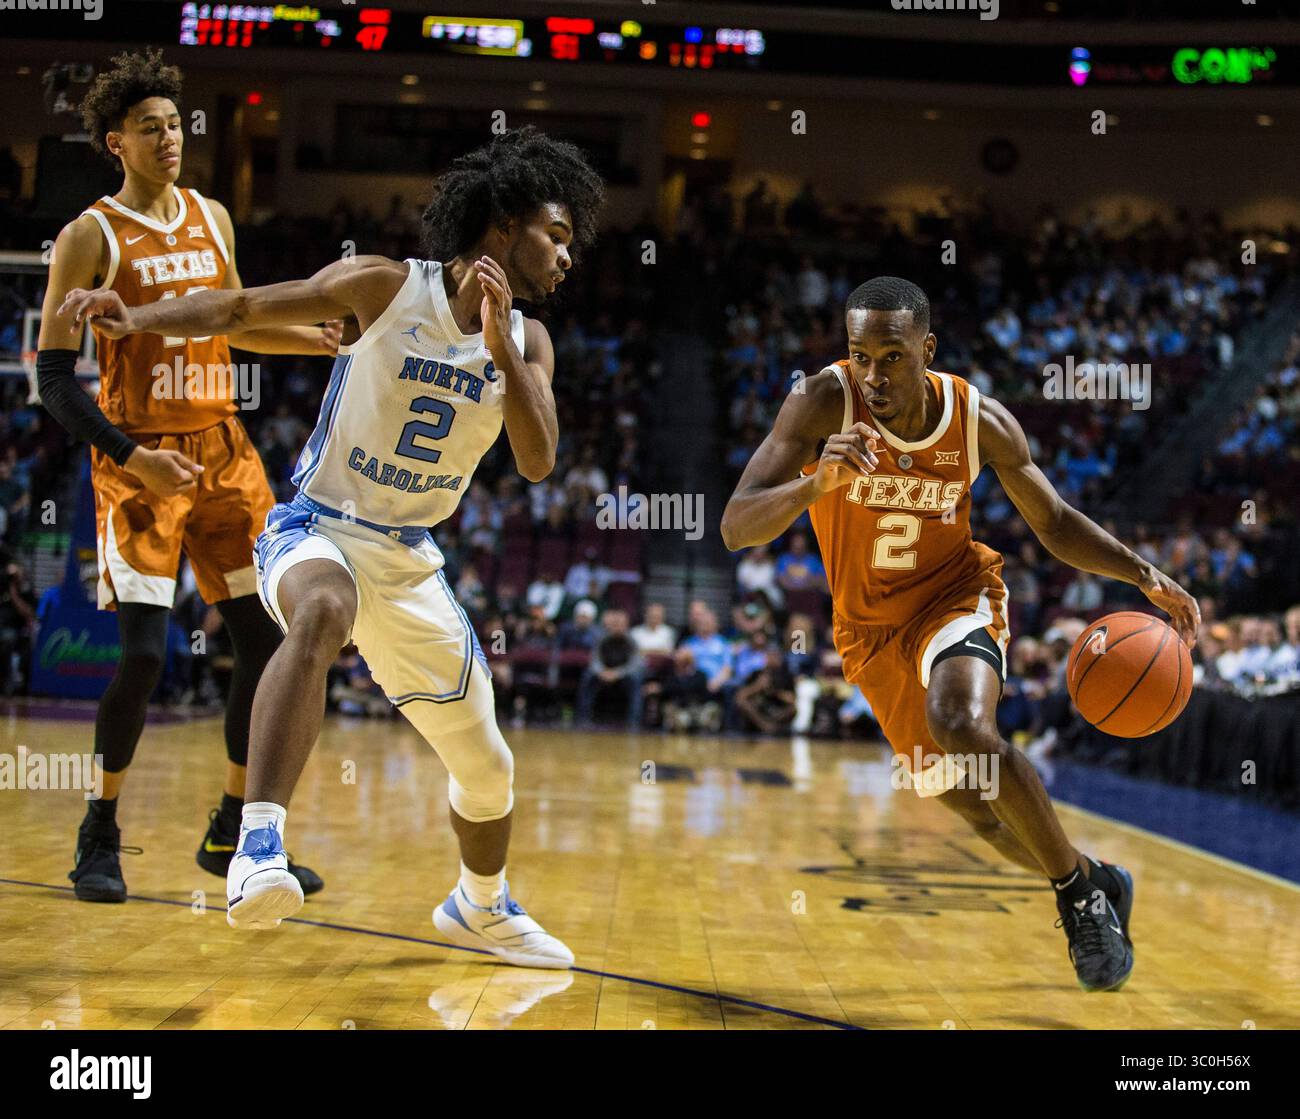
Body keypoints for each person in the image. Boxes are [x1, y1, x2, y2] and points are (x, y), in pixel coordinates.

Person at [63, 125, 605, 968]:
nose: (567, 257)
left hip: (410, 557)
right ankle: (256, 848)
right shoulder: (382, 286)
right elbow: (240, 311)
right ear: (503, 224)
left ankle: (481, 906)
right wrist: (135, 316)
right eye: (558, 235)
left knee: (489, 769)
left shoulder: (529, 342)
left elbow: (538, 462)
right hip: (315, 525)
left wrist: (500, 346)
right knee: (320, 610)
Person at [722, 275, 1199, 992]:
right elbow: (736, 524)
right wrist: (813, 484)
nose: (875, 375)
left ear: (927, 348)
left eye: (892, 356)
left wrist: (1143, 574)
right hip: (869, 634)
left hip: (956, 597)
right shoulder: (823, 400)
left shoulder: (979, 421)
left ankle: (1075, 900)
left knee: (962, 724)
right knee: (982, 814)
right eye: (861, 355)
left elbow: (1056, 521)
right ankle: (1096, 878)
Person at [37, 49, 335, 904]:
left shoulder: (211, 214)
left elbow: (238, 322)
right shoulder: (89, 236)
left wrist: (313, 339)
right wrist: (133, 458)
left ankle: (234, 830)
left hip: (224, 457)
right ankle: (100, 831)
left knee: (266, 640)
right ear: (114, 142)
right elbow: (54, 380)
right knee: (141, 656)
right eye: (150, 128)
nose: (169, 138)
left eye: (175, 124)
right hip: (138, 462)